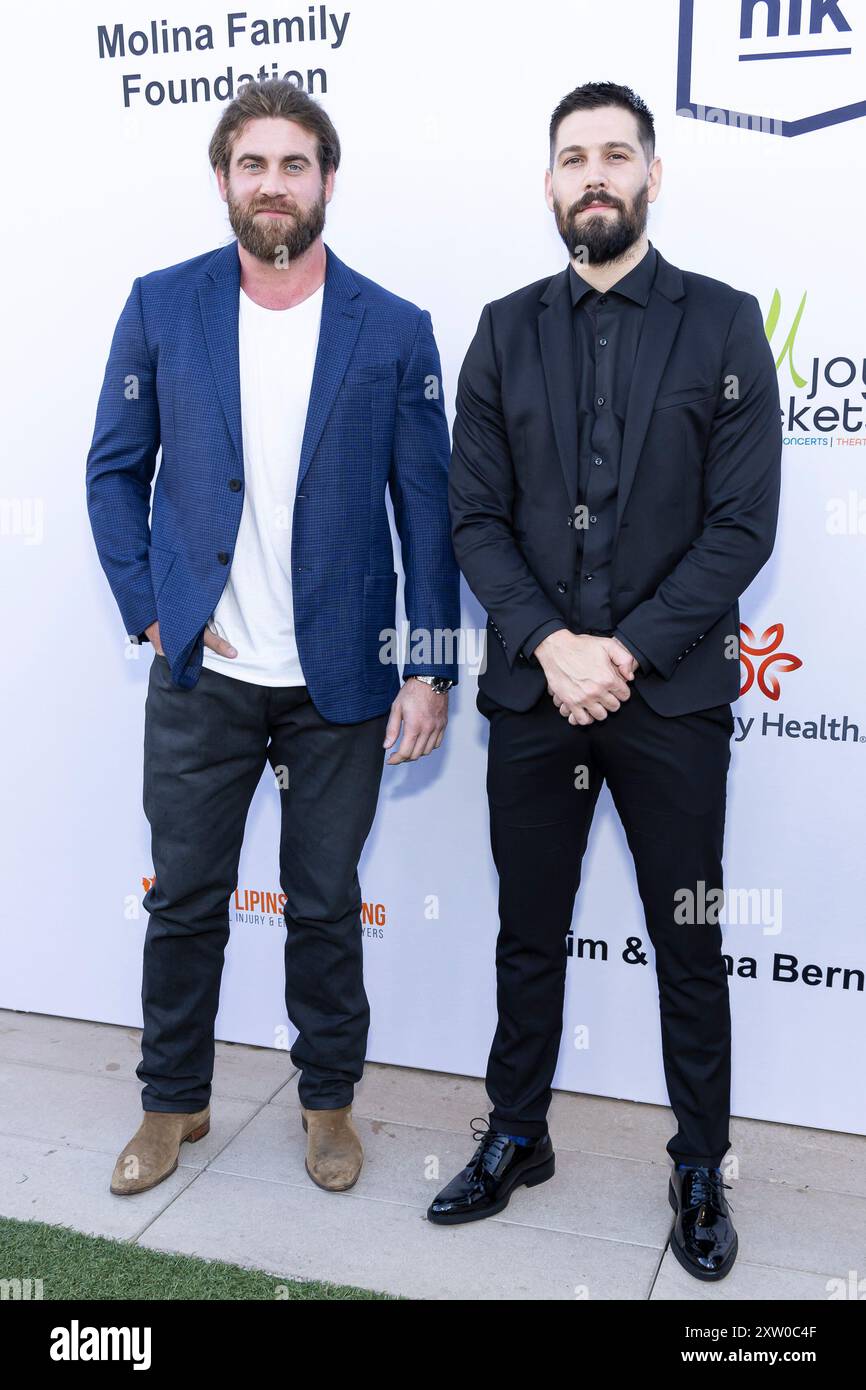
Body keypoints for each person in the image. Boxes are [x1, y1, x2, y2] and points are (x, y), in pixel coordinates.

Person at [86, 78, 460, 1199]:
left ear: (326, 181)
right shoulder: (162, 305)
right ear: (223, 180)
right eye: (253, 164)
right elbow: (113, 470)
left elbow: (427, 513)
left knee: (324, 904)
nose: (273, 184)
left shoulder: (393, 330)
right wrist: (151, 605)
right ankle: (171, 1101)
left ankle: (328, 1106)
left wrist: (430, 665)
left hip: (339, 680)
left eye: (294, 164)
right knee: (186, 898)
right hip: (204, 670)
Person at [435, 81, 781, 1281]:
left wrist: (618, 652)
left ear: (649, 176)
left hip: (670, 699)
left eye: (615, 155)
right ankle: (516, 1131)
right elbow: (472, 518)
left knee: (685, 939)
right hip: (537, 698)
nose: (594, 173)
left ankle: (697, 1162)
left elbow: (740, 529)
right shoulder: (499, 328)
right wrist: (550, 646)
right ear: (546, 183)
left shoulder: (725, 325)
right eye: (572, 156)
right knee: (527, 933)